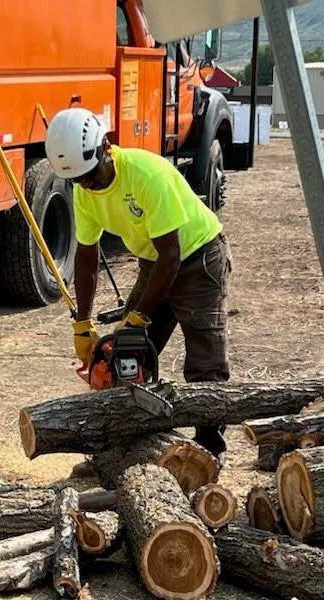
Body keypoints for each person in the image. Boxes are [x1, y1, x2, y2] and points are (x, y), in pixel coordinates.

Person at [44, 107, 233, 456]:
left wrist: (139, 316)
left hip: (197, 259)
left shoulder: (146, 175)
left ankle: (209, 451)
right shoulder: (84, 190)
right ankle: (128, 444)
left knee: (205, 366)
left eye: (91, 175)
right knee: (122, 355)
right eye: (78, 180)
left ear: (105, 148)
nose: (88, 185)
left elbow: (172, 256)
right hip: (154, 262)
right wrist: (82, 323)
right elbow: (86, 259)